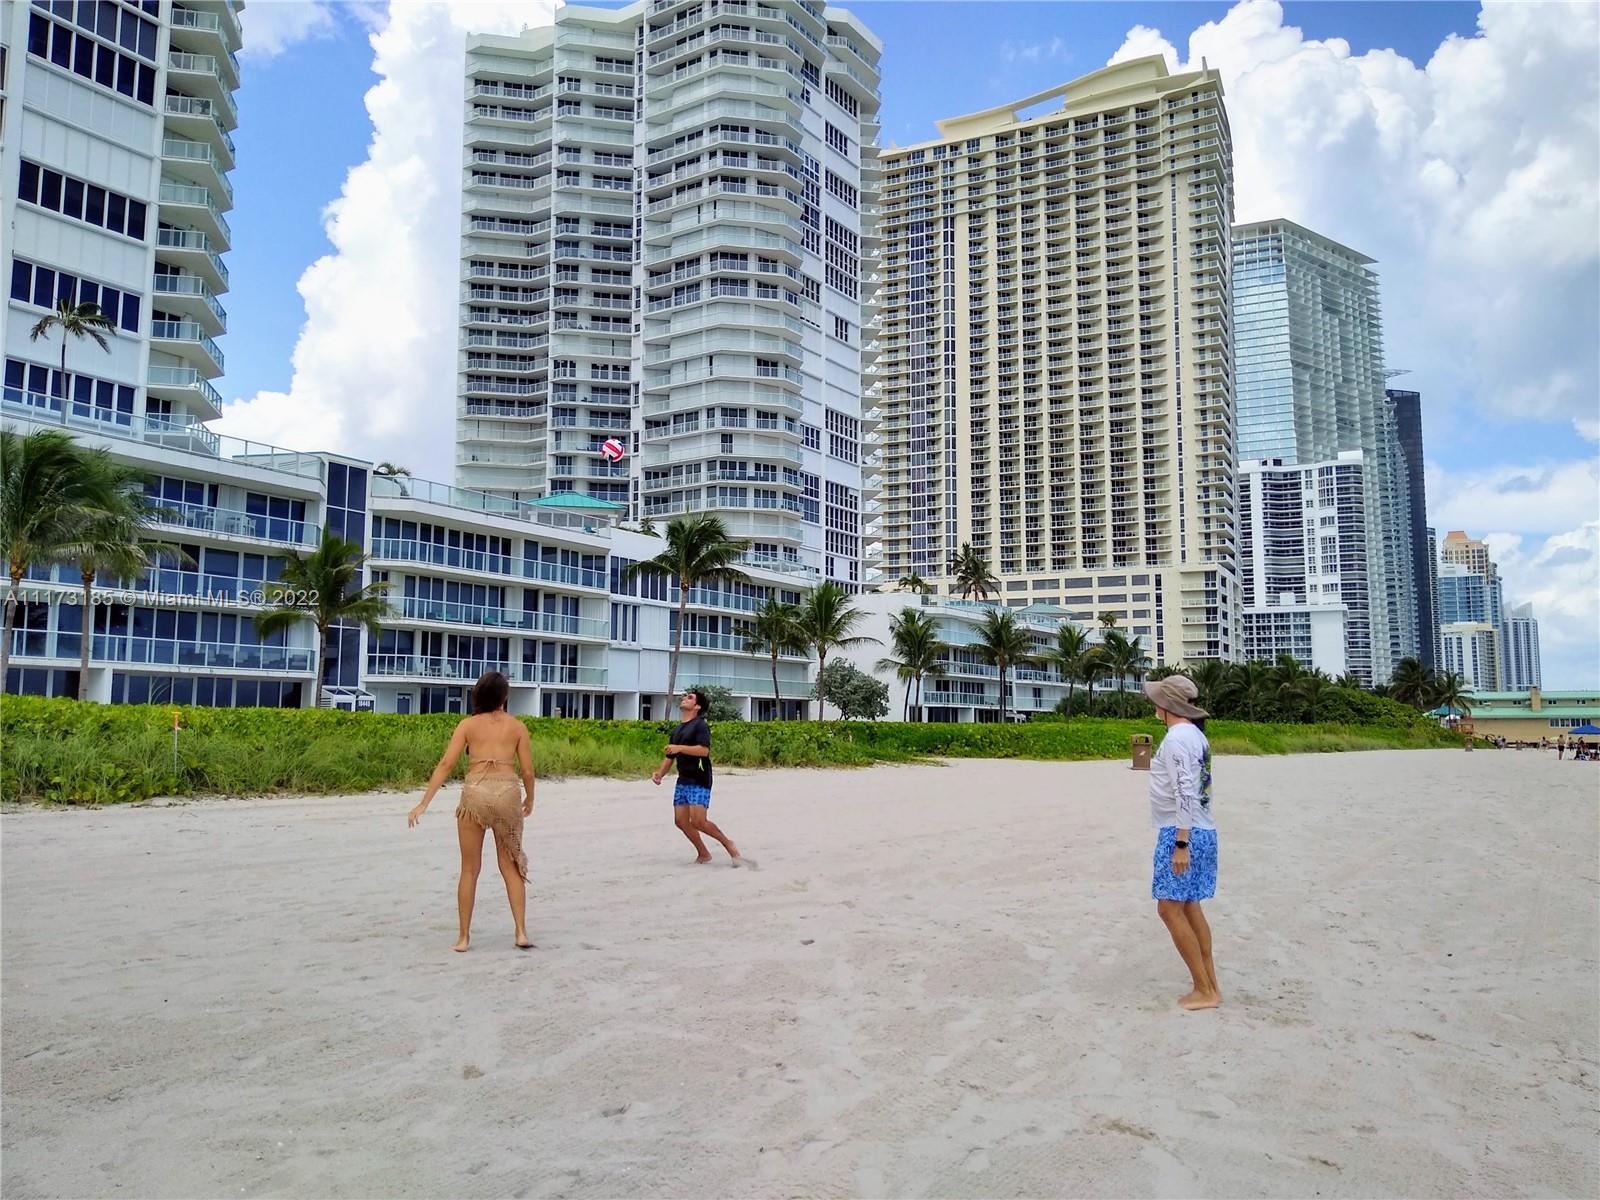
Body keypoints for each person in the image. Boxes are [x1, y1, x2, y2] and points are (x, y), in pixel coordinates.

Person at [409, 671, 535, 952]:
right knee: (510, 866)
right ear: (504, 697)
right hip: (506, 793)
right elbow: (527, 770)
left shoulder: (467, 725)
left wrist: (423, 803)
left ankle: (464, 938)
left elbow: (446, 764)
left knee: (469, 869)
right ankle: (521, 932)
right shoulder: (517, 727)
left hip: (475, 793)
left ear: (478, 695)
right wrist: (530, 798)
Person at [1143, 674, 1221, 1012]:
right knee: (1189, 905)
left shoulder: (1177, 739)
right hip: (1203, 830)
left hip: (1183, 832)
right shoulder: (1196, 736)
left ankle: (1204, 989)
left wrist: (1181, 844)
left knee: (1169, 908)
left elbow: (1185, 792)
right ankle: (1210, 984)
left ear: (1167, 705)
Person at [651, 687, 750, 867]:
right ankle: (703, 853)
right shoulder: (677, 730)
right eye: (685, 697)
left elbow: (704, 751)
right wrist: (660, 774)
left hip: (699, 778)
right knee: (680, 821)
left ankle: (729, 845)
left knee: (698, 821)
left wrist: (680, 748)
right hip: (683, 779)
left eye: (689, 697)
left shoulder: (700, 725)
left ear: (697, 706)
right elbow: (670, 756)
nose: (684, 699)